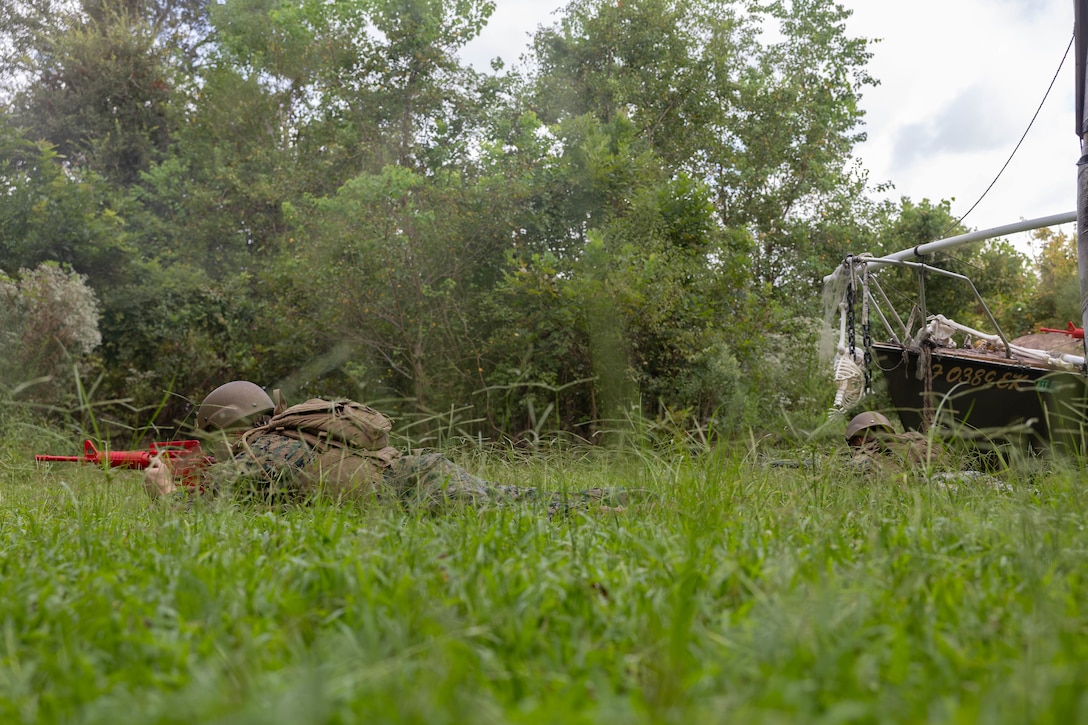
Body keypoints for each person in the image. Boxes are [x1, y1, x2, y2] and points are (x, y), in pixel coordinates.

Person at [144, 381, 640, 515]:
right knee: (519, 500)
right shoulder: (287, 436)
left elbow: (203, 515)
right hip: (420, 473)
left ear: (230, 431)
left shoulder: (264, 453)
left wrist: (165, 490)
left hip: (419, 488)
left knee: (524, 513)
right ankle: (620, 498)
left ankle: (625, 508)